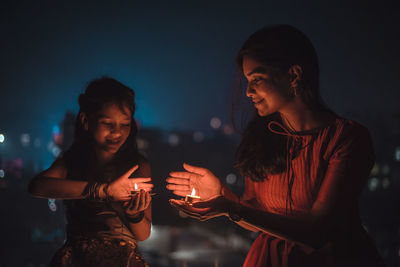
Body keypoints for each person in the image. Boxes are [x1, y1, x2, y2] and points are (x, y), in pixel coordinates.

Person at [166, 25, 384, 267]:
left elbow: (317, 232)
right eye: (247, 81)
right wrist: (222, 196)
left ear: (293, 75)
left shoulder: (346, 138)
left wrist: (229, 207)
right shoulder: (263, 137)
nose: (248, 91)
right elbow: (253, 219)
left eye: (257, 79)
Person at [29, 77, 153, 267]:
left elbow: (143, 234)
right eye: (107, 123)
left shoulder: (137, 166)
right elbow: (37, 186)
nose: (116, 132)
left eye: (124, 124)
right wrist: (103, 190)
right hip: (78, 259)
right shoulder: (72, 162)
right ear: (86, 121)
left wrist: (134, 214)